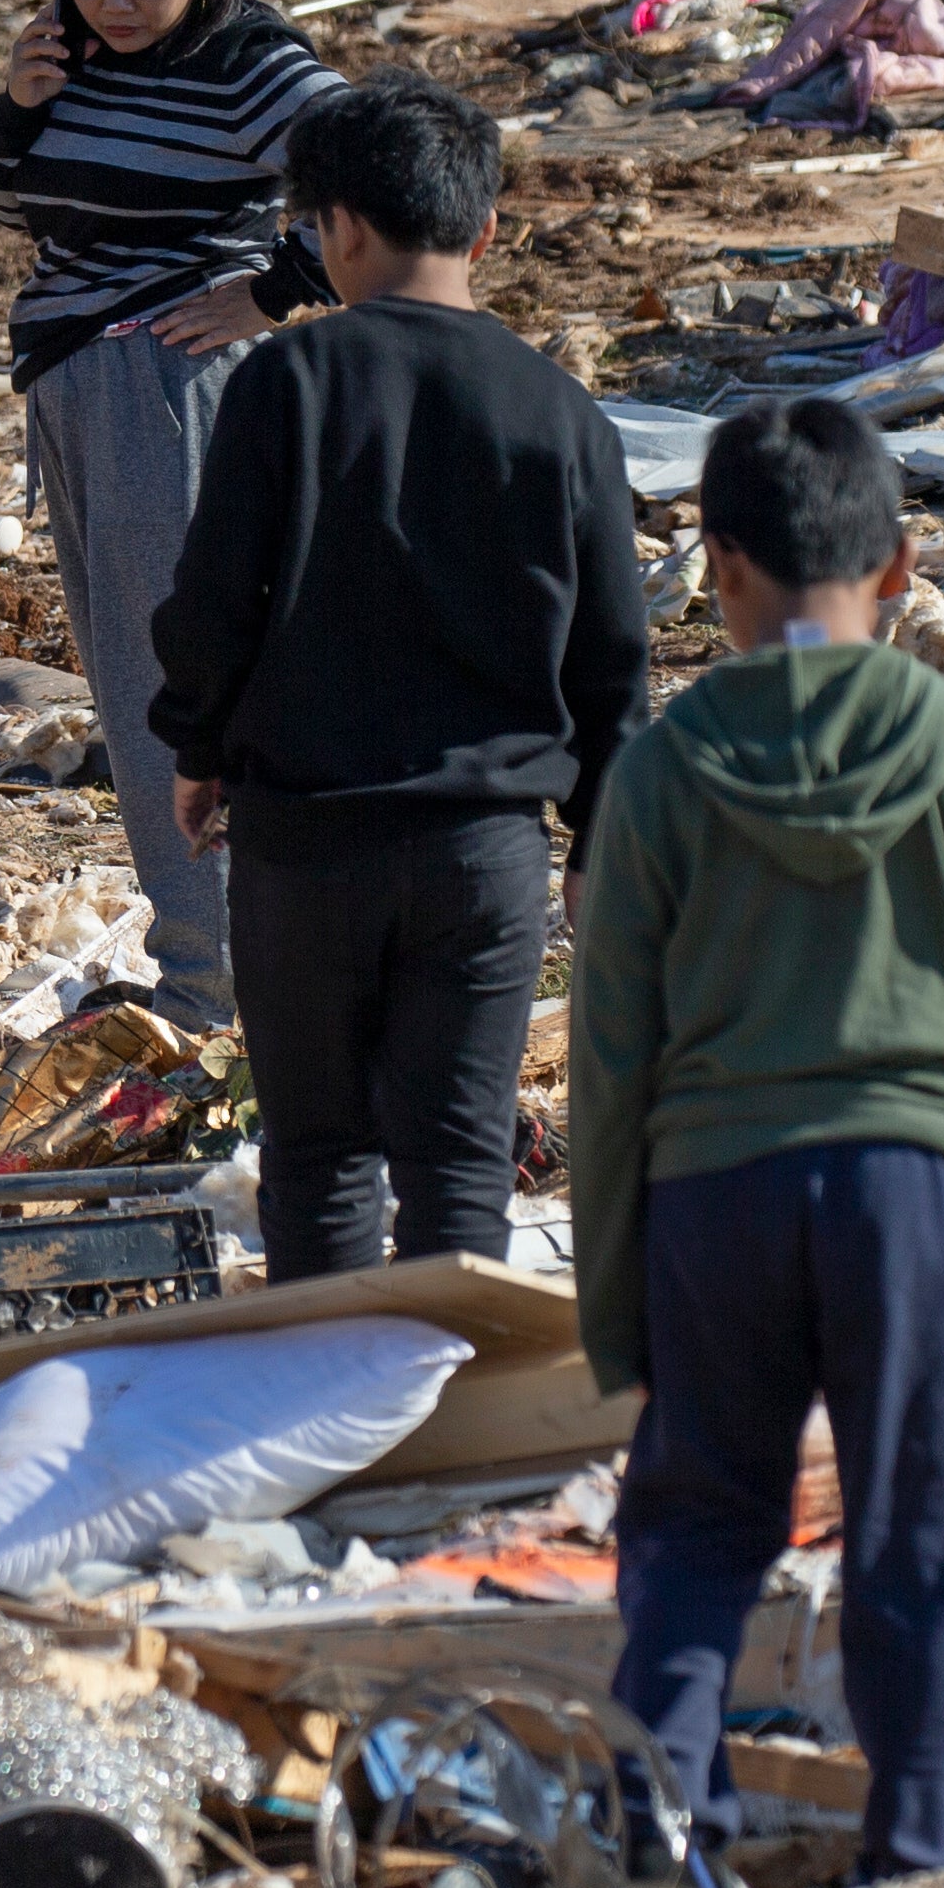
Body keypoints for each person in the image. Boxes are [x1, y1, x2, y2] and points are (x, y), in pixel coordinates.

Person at [570, 396, 944, 1883]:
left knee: (690, 1540)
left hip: (714, 1203)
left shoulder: (664, 773)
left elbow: (610, 1063)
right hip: (914, 1194)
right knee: (917, 1555)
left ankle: (662, 1853)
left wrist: (614, 1314)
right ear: (903, 566)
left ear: (717, 566)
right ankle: (924, 1868)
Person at [147, 76, 649, 1282]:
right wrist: (596, 839)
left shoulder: (286, 383)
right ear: (484, 232)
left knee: (318, 1157)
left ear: (337, 230)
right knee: (459, 1160)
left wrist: (197, 749)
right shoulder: (561, 410)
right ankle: (449, 1428)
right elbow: (612, 659)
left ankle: (332, 1425)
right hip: (486, 855)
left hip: (305, 841)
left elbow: (216, 603)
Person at [0, 0, 346, 1026]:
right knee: (143, 686)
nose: (117, 3)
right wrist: (15, 109)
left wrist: (275, 288)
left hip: (170, 389)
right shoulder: (68, 48)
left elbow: (379, 175)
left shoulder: (247, 61)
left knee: (178, 691)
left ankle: (221, 983)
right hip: (80, 378)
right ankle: (227, 964)